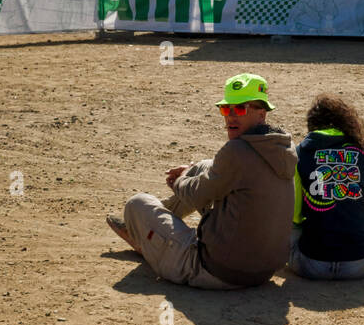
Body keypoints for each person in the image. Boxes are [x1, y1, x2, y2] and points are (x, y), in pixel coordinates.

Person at [106, 73, 296, 289]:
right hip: (264, 271)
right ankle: (155, 225)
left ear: (261, 115)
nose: (231, 117)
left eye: (240, 109)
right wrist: (191, 172)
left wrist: (180, 181)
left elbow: (196, 194)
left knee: (137, 204)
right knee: (203, 166)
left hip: (218, 271)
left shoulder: (237, 151)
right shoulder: (281, 147)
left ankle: (144, 237)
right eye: (226, 109)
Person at [288, 95, 364, 280]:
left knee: (291, 221)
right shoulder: (361, 153)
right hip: (360, 267)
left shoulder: (300, 153)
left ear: (312, 125)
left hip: (310, 266)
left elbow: (293, 215)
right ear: (347, 123)